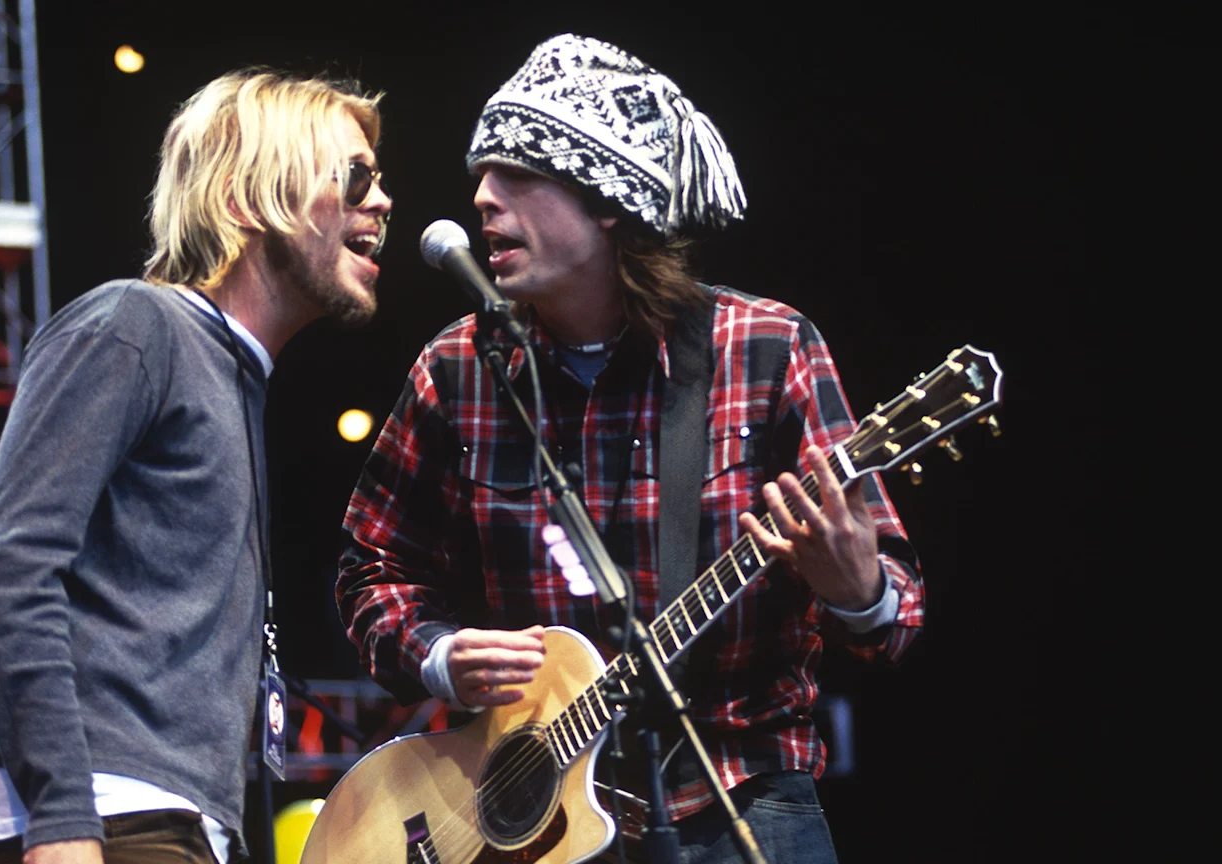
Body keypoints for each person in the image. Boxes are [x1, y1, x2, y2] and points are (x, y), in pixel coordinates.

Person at [336, 34, 921, 863]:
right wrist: (437, 656)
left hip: (738, 796)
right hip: (524, 823)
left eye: (516, 175)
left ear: (607, 199)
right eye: (480, 178)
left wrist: (857, 587)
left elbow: (895, 616)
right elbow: (371, 570)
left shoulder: (766, 347)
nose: (483, 200)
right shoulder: (456, 369)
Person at [0, 69, 392, 864]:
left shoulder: (230, 374)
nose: (382, 201)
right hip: (109, 817)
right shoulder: (137, 324)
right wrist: (62, 816)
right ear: (247, 197)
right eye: (354, 176)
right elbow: (9, 563)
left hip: (163, 820)